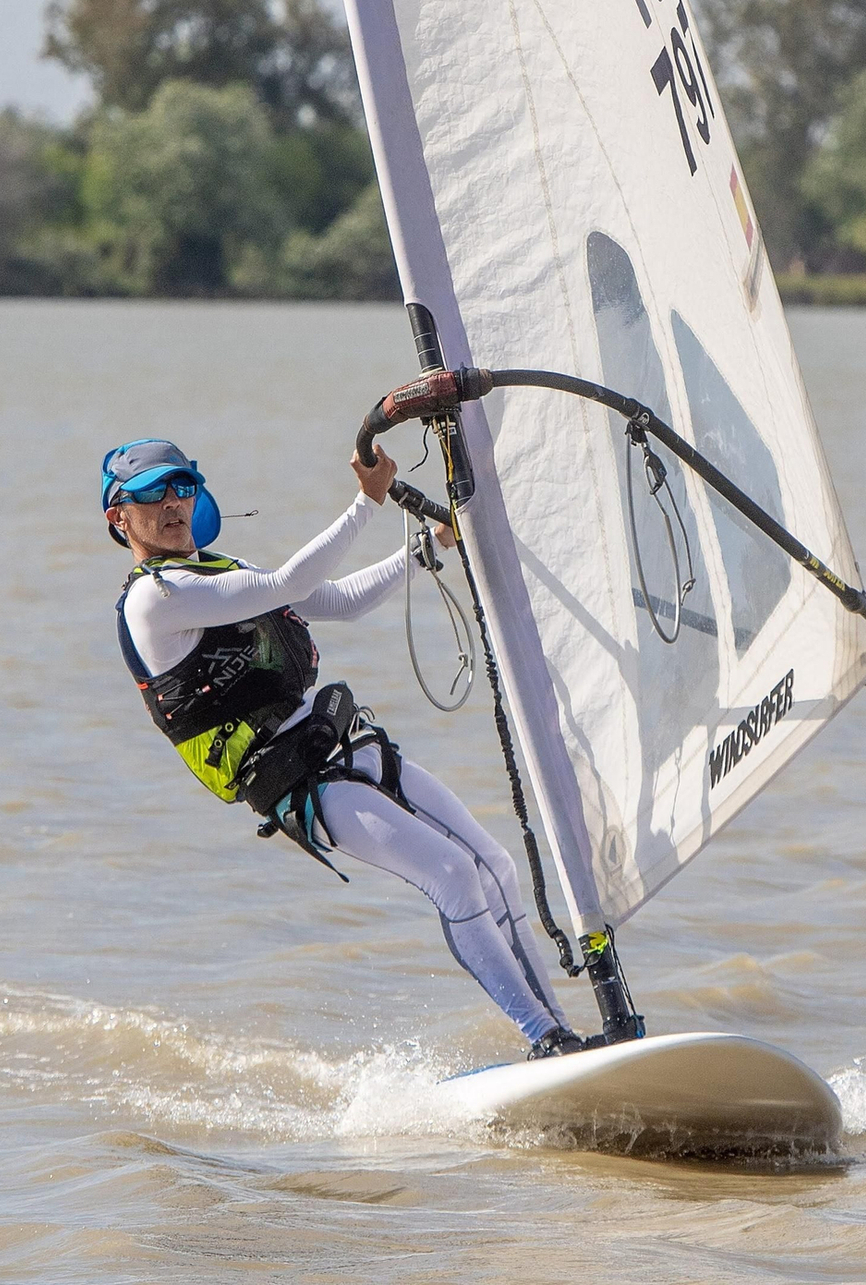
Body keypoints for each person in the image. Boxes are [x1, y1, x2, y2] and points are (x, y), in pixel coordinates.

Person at [103, 432, 583, 1057]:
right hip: (302, 785)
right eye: (151, 496)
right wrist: (367, 502)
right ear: (121, 516)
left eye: (182, 488)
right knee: (456, 876)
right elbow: (289, 580)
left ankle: (564, 1035)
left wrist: (430, 547)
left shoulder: (223, 571)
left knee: (497, 866)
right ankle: (543, 1038)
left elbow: (338, 599)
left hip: (347, 743)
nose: (171, 504)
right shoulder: (154, 599)